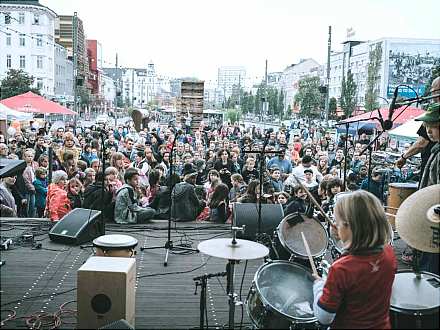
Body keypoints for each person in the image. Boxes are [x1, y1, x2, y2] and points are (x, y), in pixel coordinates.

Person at [312, 190, 397, 329]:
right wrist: (345, 236)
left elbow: (324, 317)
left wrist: (319, 285)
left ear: (348, 227)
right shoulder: (389, 253)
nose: (335, 226)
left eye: (337, 223)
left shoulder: (341, 269)